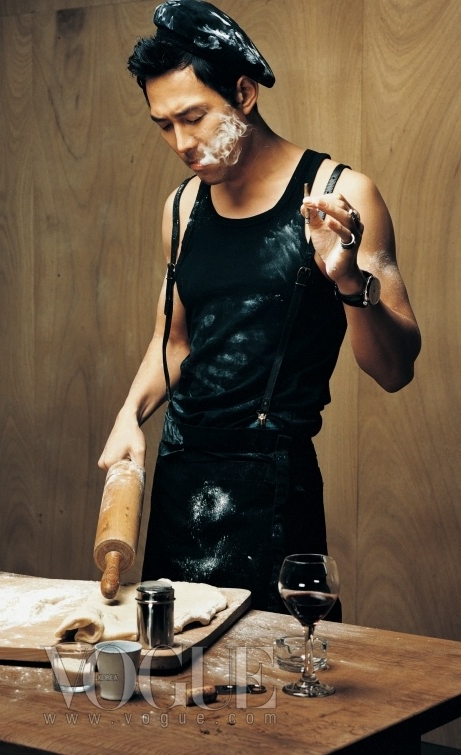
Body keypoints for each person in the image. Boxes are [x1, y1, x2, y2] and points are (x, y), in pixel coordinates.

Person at [98, 0, 420, 611]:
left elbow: (395, 369)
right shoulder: (181, 208)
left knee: (278, 665)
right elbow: (174, 341)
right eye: (164, 125)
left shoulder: (341, 194)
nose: (181, 143)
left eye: (194, 117)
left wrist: (348, 279)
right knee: (177, 662)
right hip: (181, 476)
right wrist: (128, 416)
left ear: (244, 94)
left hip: (274, 487)